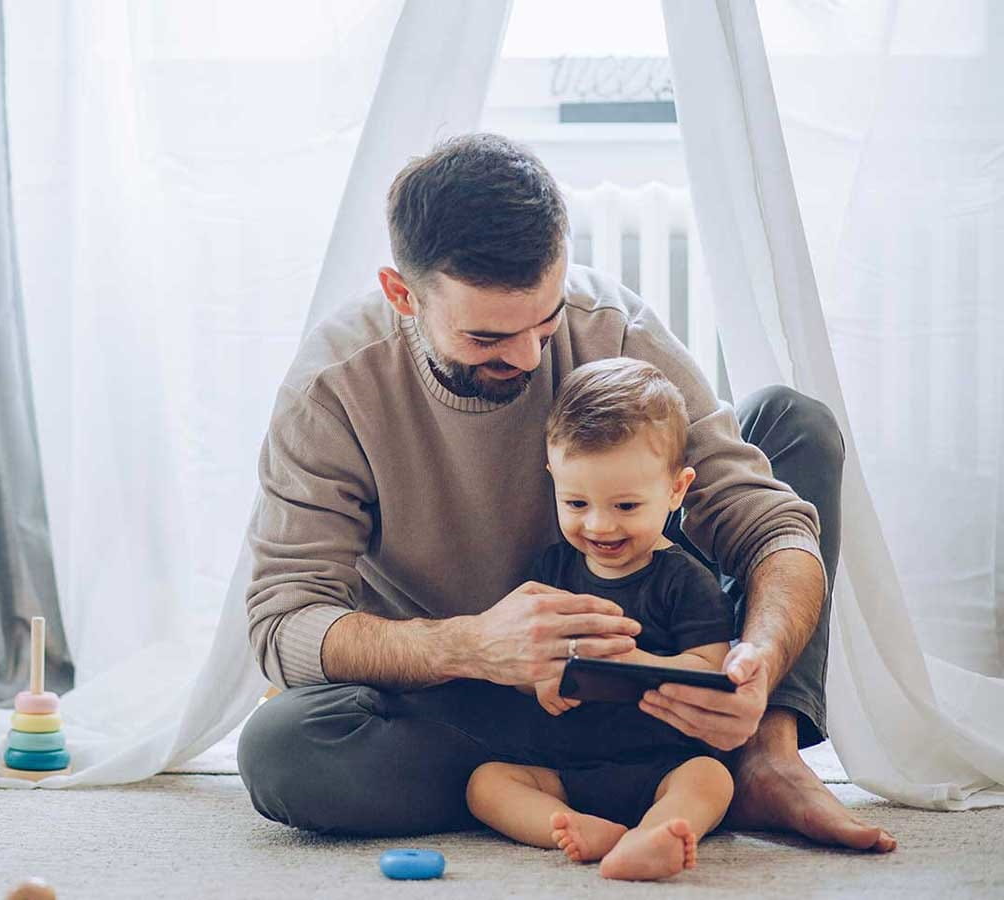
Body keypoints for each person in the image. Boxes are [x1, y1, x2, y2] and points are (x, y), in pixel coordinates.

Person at [237, 133, 895, 853]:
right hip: (478, 703)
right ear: (403, 294)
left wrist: (757, 664)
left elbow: (768, 527)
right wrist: (471, 645)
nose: (527, 357)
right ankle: (600, 784)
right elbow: (284, 621)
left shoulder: (613, 329)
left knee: (795, 425)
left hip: (657, 684)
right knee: (283, 750)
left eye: (545, 324)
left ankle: (763, 756)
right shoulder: (333, 387)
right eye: (488, 337)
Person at [466, 357, 735, 881]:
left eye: (627, 505)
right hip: (566, 767)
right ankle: (577, 828)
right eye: (576, 501)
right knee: (486, 783)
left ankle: (659, 831)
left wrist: (641, 665)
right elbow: (522, 656)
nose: (599, 524)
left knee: (711, 780)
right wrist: (537, 679)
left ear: (676, 490)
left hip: (663, 763)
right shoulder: (552, 570)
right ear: (553, 480)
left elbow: (713, 672)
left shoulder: (684, 580)